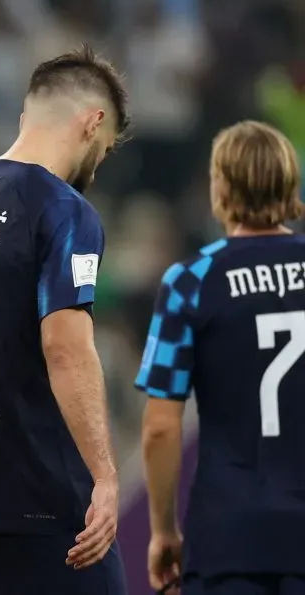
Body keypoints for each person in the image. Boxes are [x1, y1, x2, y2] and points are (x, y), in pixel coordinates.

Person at [0, 45, 130, 595]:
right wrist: (106, 476)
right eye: (108, 146)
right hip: (49, 504)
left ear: (27, 116)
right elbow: (67, 350)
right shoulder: (64, 210)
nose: (101, 159)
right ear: (93, 123)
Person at [136, 121, 305, 595]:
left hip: (232, 537)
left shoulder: (192, 280)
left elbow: (161, 427)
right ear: (289, 182)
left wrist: (164, 531)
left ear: (221, 186)